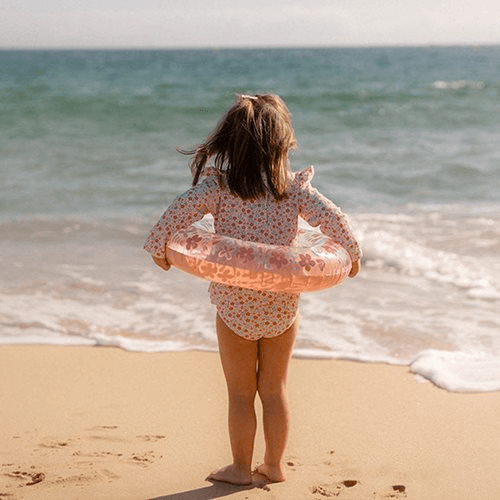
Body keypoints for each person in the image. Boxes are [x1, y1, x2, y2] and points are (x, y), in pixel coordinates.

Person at [144, 93, 362, 485]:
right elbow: (336, 220)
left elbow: (174, 214)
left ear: (231, 143)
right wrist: (354, 255)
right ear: (282, 144)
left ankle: (241, 469)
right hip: (281, 307)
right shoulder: (294, 189)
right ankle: (274, 465)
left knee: (241, 394)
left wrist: (159, 249)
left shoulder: (219, 189)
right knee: (275, 390)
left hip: (233, 307)